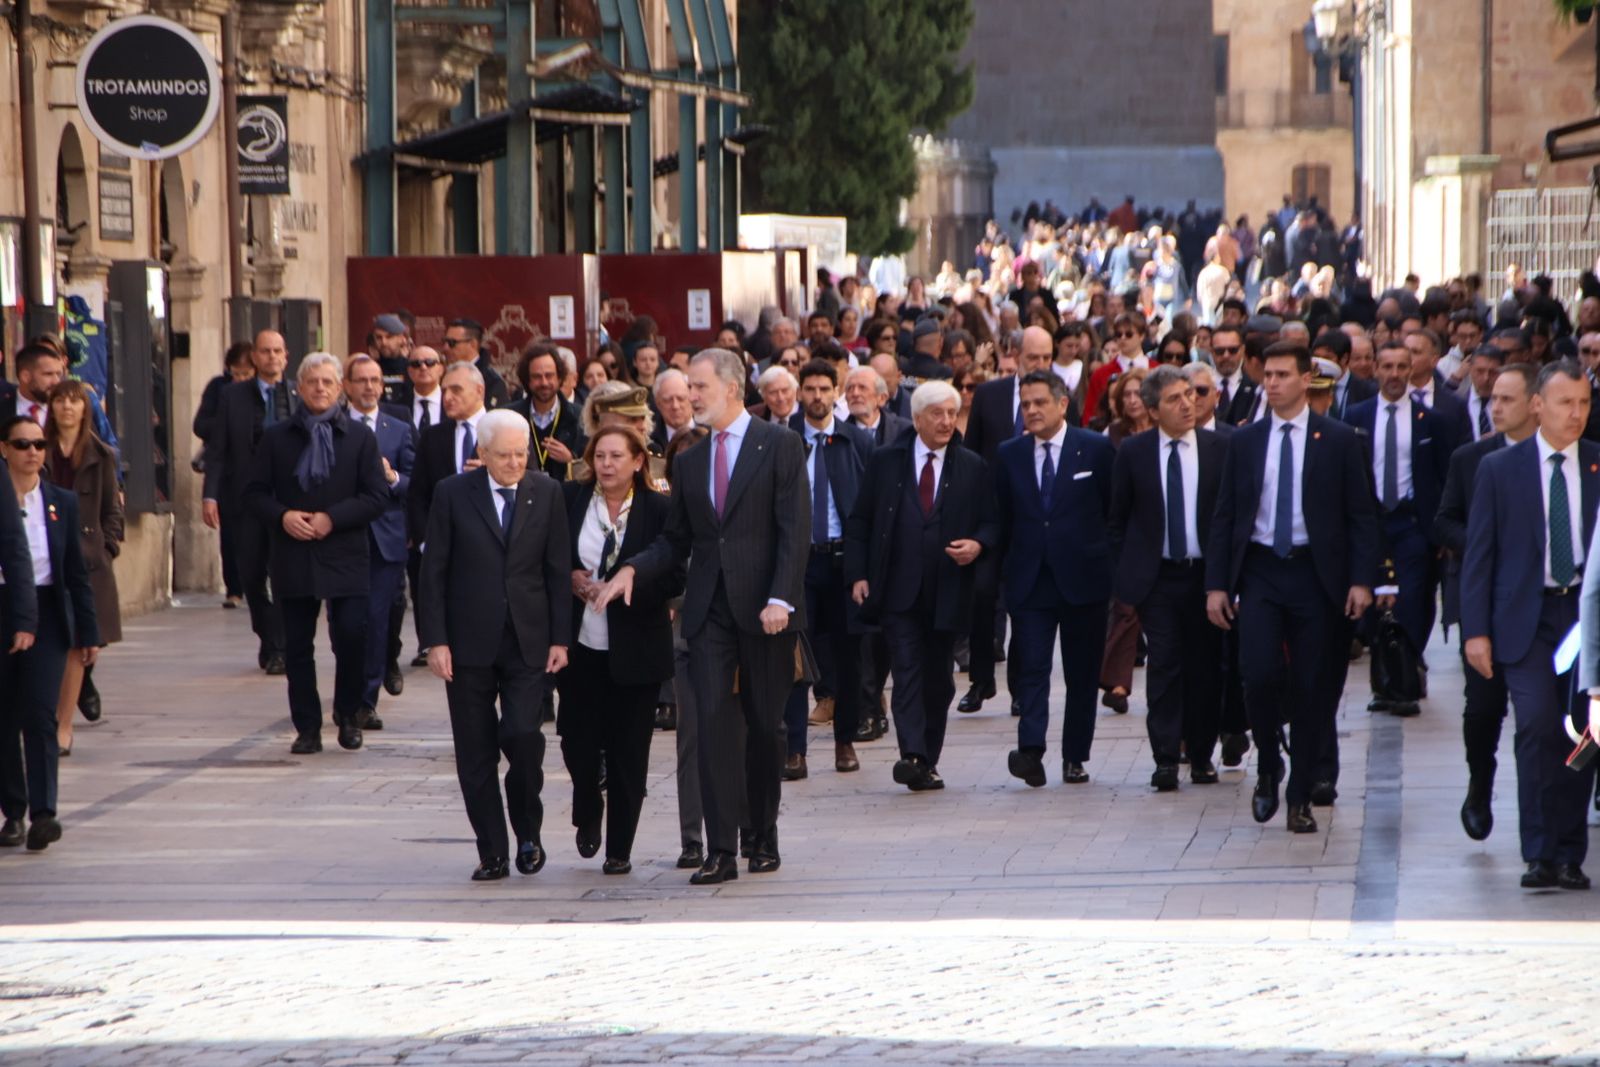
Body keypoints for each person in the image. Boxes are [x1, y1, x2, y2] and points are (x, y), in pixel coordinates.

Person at [595, 348, 808, 885]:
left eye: (698, 387)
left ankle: (762, 835)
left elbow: (793, 529)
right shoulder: (687, 461)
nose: (690, 397)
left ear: (732, 388)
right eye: (689, 388)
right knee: (711, 726)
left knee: (765, 727)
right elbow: (676, 540)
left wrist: (781, 597)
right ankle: (721, 850)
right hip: (708, 611)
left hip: (766, 612)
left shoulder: (779, 445)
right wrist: (632, 571)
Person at [1206, 342, 1378, 834]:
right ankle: (1268, 766)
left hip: (1315, 574)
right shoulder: (1245, 441)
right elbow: (1225, 516)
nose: (1273, 383)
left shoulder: (1340, 439)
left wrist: (1363, 580)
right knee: (1257, 673)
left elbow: (1361, 515)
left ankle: (1300, 792)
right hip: (1260, 571)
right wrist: (1217, 584)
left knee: (1312, 687)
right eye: (1269, 375)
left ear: (1308, 380)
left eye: (1284, 374)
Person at [421, 409, 571, 881]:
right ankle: (493, 851)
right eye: (504, 455)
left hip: (529, 640)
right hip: (468, 642)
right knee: (476, 751)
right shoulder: (451, 494)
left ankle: (529, 832)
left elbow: (556, 570)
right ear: (481, 454)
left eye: (522, 453)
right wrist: (435, 641)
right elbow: (434, 573)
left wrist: (561, 639)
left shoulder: (546, 492)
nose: (514, 462)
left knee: (523, 737)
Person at [1465, 361, 1598, 890]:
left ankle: (1569, 853)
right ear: (1538, 405)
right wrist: (1476, 630)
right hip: (1528, 616)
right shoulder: (1500, 470)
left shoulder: (1595, 465)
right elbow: (1479, 555)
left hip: (1586, 618)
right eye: (1566, 403)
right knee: (1538, 724)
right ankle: (1539, 850)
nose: (1577, 414)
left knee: (1584, 732)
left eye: (1585, 403)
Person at [846, 380, 998, 791]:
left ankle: (928, 759)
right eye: (937, 413)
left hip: (948, 591)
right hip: (898, 590)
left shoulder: (971, 465)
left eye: (952, 413)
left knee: (939, 680)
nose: (947, 421)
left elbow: (991, 521)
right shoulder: (886, 460)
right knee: (907, 670)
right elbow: (860, 521)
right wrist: (859, 575)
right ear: (916, 419)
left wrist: (978, 543)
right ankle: (911, 753)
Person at [244, 353, 388, 755]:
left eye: (328, 381)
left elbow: (376, 495)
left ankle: (348, 715)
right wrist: (283, 515)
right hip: (294, 553)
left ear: (340, 388)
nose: (320, 388)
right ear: (299, 387)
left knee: (351, 636)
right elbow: (254, 494)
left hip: (345, 551)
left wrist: (333, 518)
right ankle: (306, 726)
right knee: (297, 646)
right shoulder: (276, 437)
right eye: (313, 382)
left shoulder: (360, 438)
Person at [559, 426, 682, 874]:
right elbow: (548, 556)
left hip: (637, 645)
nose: (606, 464)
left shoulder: (660, 508)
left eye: (616, 456)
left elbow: (674, 573)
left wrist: (633, 582)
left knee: (630, 751)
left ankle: (620, 849)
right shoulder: (570, 499)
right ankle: (588, 807)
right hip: (581, 645)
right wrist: (572, 576)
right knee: (578, 741)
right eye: (600, 456)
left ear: (637, 462)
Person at [1108, 366, 1228, 790]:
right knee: (1165, 665)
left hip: (1206, 578)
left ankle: (1200, 754)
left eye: (1190, 395)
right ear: (1155, 410)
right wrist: (1128, 572)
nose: (1187, 404)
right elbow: (1118, 517)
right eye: (1175, 399)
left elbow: (1227, 517)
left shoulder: (1218, 447)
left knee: (1204, 668)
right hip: (1157, 578)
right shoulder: (1135, 452)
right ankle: (1164, 757)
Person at [1434, 362, 1538, 842]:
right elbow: (1445, 520)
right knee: (1482, 710)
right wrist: (1482, 539)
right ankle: (1480, 783)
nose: (1494, 407)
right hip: (1486, 600)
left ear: (1534, 404)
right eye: (1492, 398)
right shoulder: (1471, 459)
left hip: (1543, 604)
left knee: (1544, 714)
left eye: (1506, 399)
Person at [997, 371, 1115, 787]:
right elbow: (1003, 517)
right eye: (1025, 404)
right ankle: (1030, 751)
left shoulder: (1096, 449)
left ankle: (1075, 756)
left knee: (1082, 672)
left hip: (1085, 578)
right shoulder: (1009, 454)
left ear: (1062, 404)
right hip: (1030, 580)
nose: (1031, 411)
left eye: (1039, 403)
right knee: (1031, 666)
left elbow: (1111, 512)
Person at [0, 415, 96, 852]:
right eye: (22, 445)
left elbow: (76, 573)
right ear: (5, 450)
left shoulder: (61, 502)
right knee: (4, 717)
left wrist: (88, 632)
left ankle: (44, 813)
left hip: (48, 614)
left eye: (39, 444)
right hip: (3, 608)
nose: (32, 452)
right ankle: (14, 811)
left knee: (40, 712)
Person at [1343, 340, 1450, 716]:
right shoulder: (1355, 416)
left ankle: (1407, 676)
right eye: (1386, 366)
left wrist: (1438, 528)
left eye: (1401, 367)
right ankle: (1385, 681)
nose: (1393, 374)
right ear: (1375, 369)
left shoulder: (1430, 420)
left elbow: (1443, 476)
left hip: (1411, 522)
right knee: (1371, 603)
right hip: (1369, 522)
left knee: (1411, 599)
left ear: (1412, 371)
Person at [781, 360, 875, 779]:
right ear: (800, 393)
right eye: (810, 389)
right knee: (793, 658)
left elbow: (868, 512)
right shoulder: (783, 442)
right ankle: (794, 749)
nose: (817, 397)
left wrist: (864, 570)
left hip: (844, 564)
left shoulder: (857, 440)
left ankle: (845, 741)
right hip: (799, 563)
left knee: (848, 656)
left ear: (836, 391)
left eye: (824, 389)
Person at [202, 330, 297, 675]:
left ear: (286, 356)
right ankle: (267, 635)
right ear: (254, 357)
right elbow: (218, 450)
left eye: (278, 351)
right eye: (265, 351)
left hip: (289, 501)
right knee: (252, 573)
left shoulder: (299, 394)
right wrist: (210, 494)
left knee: (286, 574)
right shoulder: (233, 396)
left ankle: (281, 646)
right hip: (245, 499)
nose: (272, 357)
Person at [44, 381, 121, 755]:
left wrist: (106, 547)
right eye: (60, 400)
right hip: (42, 559)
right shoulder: (35, 451)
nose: (68, 407)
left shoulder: (101, 455)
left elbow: (112, 511)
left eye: (75, 400)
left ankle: (63, 725)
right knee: (52, 643)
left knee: (78, 645)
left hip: (86, 560)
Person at [342, 355, 416, 729]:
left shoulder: (399, 428)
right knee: (347, 624)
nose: (369, 387)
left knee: (376, 619)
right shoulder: (334, 426)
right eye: (361, 380)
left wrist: (391, 478)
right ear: (348, 385)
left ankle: (366, 701)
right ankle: (348, 692)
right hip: (342, 537)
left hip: (386, 540)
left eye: (375, 380)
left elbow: (413, 482)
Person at [407, 361, 489, 665]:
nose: (448, 398)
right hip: (444, 546)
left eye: (457, 390)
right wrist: (426, 542)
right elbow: (417, 495)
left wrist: (496, 473)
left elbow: (530, 480)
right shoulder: (433, 436)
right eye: (445, 391)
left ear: (479, 391)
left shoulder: (504, 428)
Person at [194, 342, 256, 609]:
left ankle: (257, 581)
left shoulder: (261, 393)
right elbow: (201, 424)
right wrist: (226, 422)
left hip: (258, 470)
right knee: (230, 532)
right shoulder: (219, 389)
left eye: (246, 373)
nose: (240, 379)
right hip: (229, 470)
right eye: (236, 373)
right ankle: (234, 588)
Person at [510, 343, 584, 480]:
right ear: (527, 380)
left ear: (560, 377)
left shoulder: (580, 417)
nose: (544, 383)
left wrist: (571, 460)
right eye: (537, 377)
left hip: (566, 497)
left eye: (549, 375)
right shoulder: (510, 417)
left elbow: (592, 467)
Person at [442, 318, 510, 409]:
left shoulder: (492, 382)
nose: (445, 348)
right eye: (444, 341)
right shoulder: (441, 374)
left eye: (452, 343)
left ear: (472, 344)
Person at [650, 369, 696, 452]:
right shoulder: (650, 439)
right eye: (667, 400)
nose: (675, 406)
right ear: (657, 403)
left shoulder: (712, 433)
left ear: (691, 398)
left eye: (681, 399)